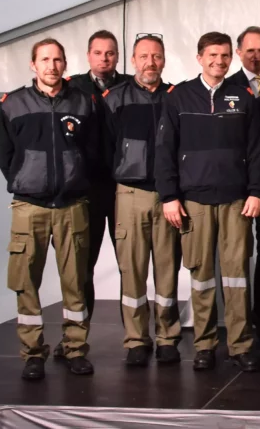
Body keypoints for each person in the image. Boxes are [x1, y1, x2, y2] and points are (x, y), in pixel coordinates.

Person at [155, 31, 260, 373]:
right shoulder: (179, 98)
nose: (219, 62)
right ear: (199, 58)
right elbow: (165, 152)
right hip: (194, 203)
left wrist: (256, 190)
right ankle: (204, 345)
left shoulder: (244, 96)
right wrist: (170, 196)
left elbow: (256, 149)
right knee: (201, 276)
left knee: (236, 276)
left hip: (236, 200)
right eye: (212, 56)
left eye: (224, 56)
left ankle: (240, 345)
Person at [0, 38, 100, 380]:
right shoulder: (13, 104)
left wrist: (78, 179)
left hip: (73, 206)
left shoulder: (83, 103)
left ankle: (75, 349)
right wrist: (25, 179)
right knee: (26, 283)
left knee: (76, 283)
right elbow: (3, 151)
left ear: (65, 64)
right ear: (33, 65)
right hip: (30, 207)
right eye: (44, 60)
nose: (51, 66)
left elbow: (94, 149)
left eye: (57, 60)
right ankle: (32, 354)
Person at [102, 34, 180, 366]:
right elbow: (103, 147)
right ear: (133, 60)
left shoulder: (177, 97)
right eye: (144, 56)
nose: (151, 62)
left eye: (157, 56)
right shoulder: (113, 99)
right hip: (130, 194)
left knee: (167, 270)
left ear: (164, 60)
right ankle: (136, 339)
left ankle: (167, 338)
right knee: (131, 270)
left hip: (168, 196)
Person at [67, 29, 127, 341]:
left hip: (123, 190)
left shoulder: (129, 86)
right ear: (88, 55)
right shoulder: (73, 87)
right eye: (98, 53)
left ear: (117, 55)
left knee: (129, 266)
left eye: (110, 53)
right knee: (82, 266)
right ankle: (76, 338)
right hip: (86, 190)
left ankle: (135, 338)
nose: (104, 58)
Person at [225, 26, 260, 343]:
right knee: (238, 256)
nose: (255, 56)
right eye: (249, 50)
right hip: (241, 185)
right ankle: (239, 323)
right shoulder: (227, 85)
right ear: (238, 53)